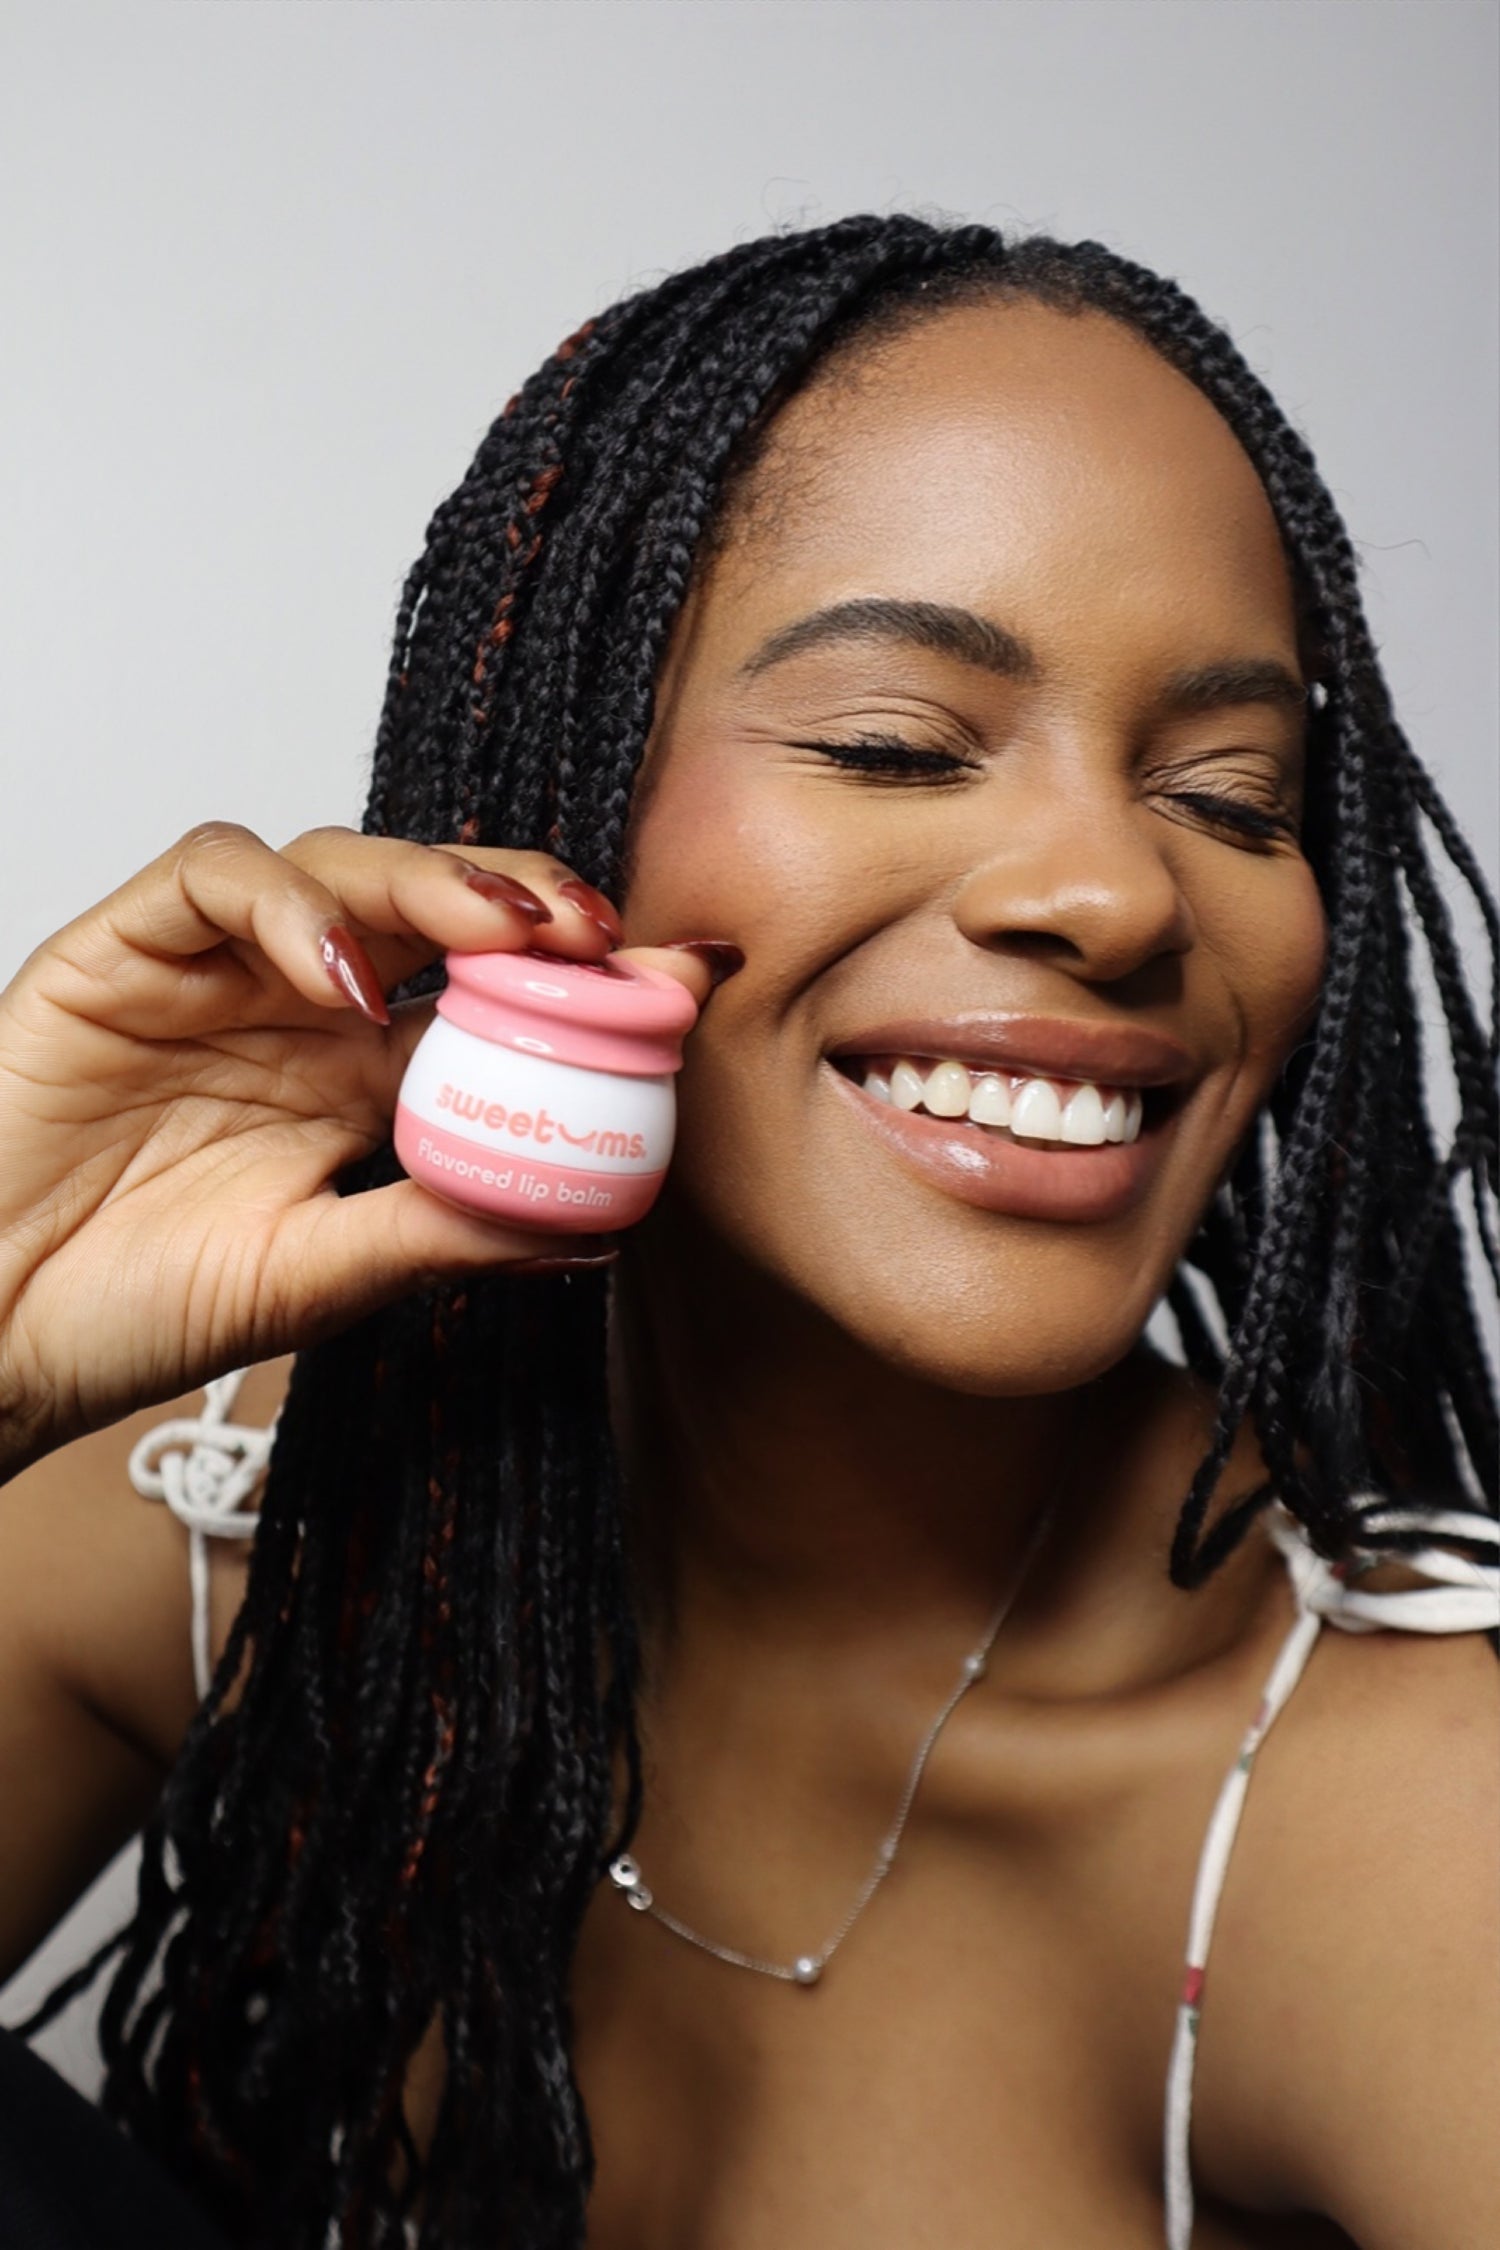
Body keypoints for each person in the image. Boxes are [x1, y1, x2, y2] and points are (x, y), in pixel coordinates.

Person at [0, 213, 1495, 2250]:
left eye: (1235, 796)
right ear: (553, 810)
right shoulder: (241, 1517)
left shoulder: (1404, 1829)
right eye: (896, 745)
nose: (1121, 895)